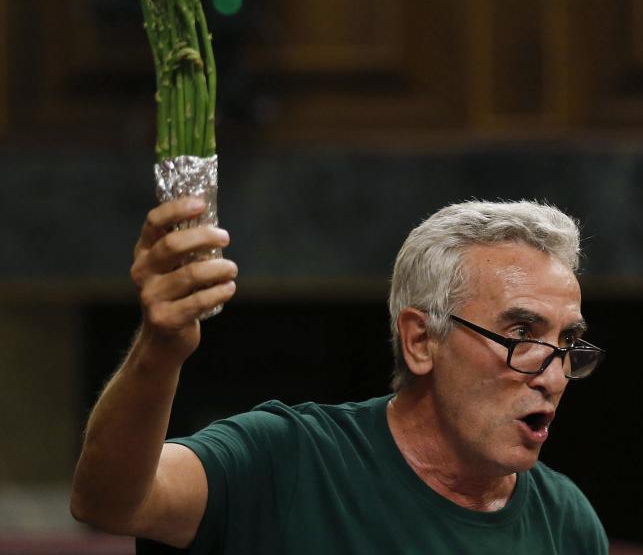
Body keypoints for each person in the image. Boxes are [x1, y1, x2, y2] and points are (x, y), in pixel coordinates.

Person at [71, 197, 608, 554]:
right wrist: (158, 350)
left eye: (566, 343)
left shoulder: (566, 522)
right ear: (421, 341)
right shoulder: (287, 459)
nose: (554, 375)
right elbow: (109, 501)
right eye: (521, 336)